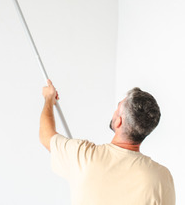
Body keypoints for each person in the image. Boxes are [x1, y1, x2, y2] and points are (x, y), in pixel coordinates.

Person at [39, 80, 175, 205]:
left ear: (119, 121)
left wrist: (48, 99)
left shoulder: (83, 156)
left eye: (118, 107)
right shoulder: (161, 177)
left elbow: (46, 136)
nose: (115, 111)